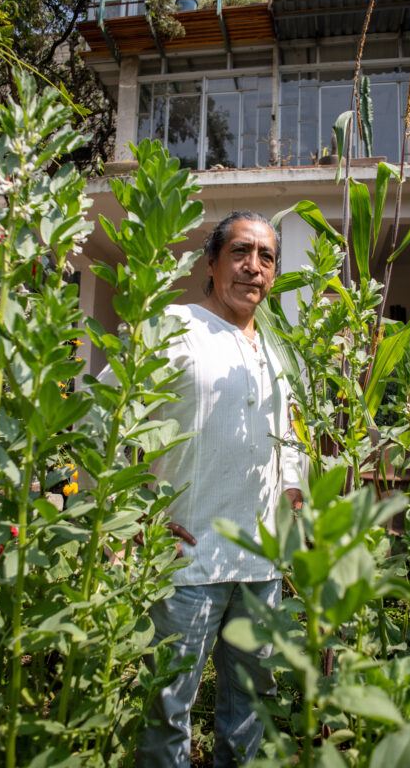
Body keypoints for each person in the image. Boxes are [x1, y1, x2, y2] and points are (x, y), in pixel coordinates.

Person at [135, 210, 306, 767]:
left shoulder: (277, 351)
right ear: (211, 262)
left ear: (274, 274)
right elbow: (104, 418)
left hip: (261, 566)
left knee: (252, 709)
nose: (253, 268)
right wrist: (135, 515)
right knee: (167, 710)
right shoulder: (174, 326)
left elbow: (289, 437)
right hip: (187, 560)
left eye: (266, 257)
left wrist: (293, 503)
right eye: (240, 252)